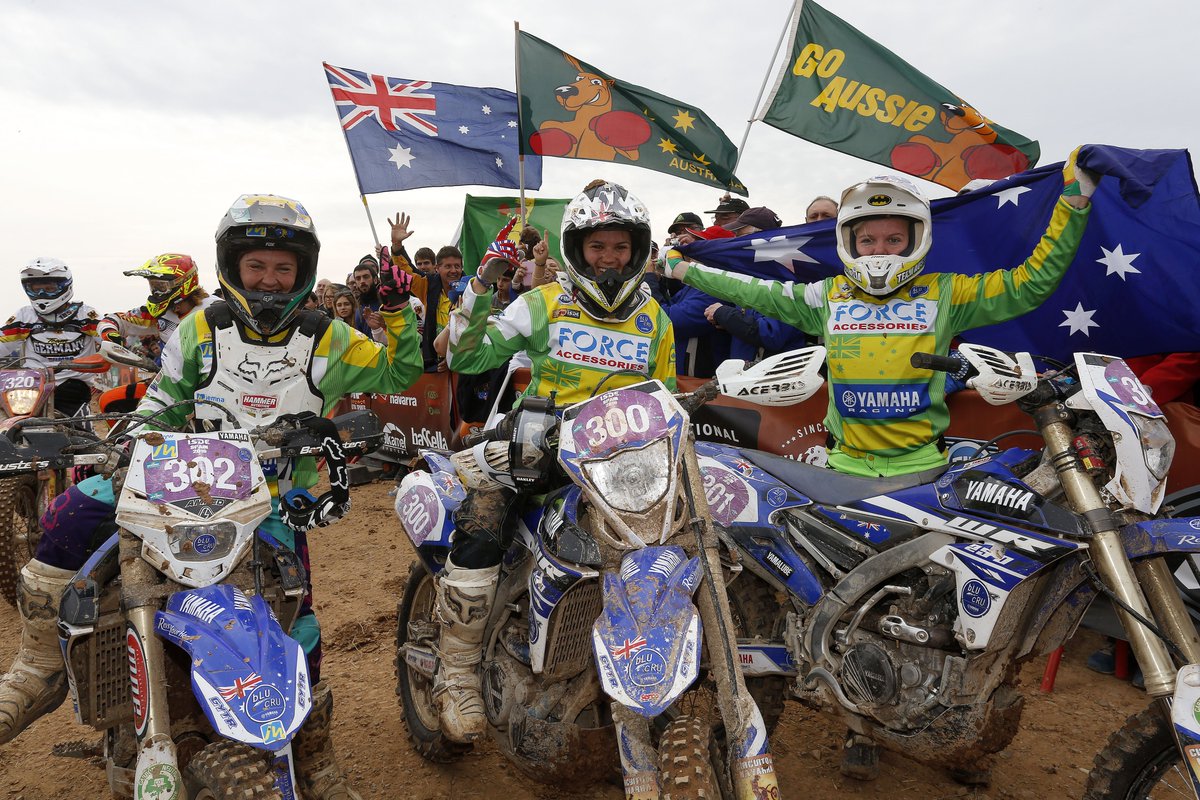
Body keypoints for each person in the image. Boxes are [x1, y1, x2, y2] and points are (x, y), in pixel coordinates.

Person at [667, 156, 1097, 781]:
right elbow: (755, 292)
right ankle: (857, 725)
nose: (879, 248)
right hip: (841, 476)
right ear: (848, 242)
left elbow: (1032, 281)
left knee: (936, 617)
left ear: (916, 239)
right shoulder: (827, 297)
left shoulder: (947, 293)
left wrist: (1073, 206)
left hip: (924, 475)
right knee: (851, 615)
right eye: (868, 238)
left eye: (893, 237)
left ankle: (959, 733)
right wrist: (684, 268)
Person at [0, 194, 422, 800]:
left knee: (294, 614)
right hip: (182, 481)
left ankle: (310, 748)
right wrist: (136, 437)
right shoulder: (204, 327)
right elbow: (167, 394)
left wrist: (397, 309)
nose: (269, 279)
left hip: (271, 498)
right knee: (71, 511)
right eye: (257, 266)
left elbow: (396, 376)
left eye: (282, 267)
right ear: (234, 266)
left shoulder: (327, 336)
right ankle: (35, 665)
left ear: (302, 272)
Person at [432, 180, 676, 743]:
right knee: (482, 523)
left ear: (637, 251)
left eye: (619, 247)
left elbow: (661, 398)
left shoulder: (655, 320)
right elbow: (468, 355)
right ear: (577, 250)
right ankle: (459, 675)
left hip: (619, 468)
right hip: (535, 453)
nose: (609, 259)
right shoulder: (543, 303)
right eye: (598, 248)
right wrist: (480, 286)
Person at [0, 258, 101, 417]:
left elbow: (109, 341)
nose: (42, 294)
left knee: (81, 430)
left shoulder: (85, 315)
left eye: (48, 288)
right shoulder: (25, 316)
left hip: (72, 385)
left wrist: (108, 351)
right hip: (31, 384)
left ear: (64, 286)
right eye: (36, 288)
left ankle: (83, 434)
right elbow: (2, 344)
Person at [383, 215, 464, 372]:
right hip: (434, 363)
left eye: (457, 266)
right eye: (448, 266)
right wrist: (397, 244)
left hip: (462, 364)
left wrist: (454, 359)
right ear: (437, 268)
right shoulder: (427, 285)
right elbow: (406, 270)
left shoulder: (470, 289)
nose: (453, 271)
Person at [96, 253, 216, 356]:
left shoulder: (215, 309)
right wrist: (109, 332)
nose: (156, 292)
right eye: (153, 286)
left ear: (183, 283)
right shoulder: (159, 314)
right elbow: (116, 319)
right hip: (175, 378)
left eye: (161, 287)